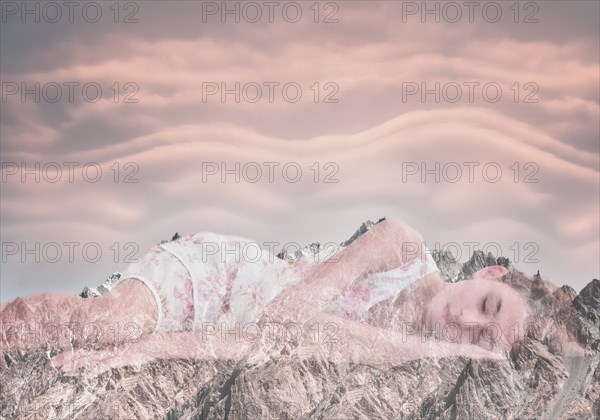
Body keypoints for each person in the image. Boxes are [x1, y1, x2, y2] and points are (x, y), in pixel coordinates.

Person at [1, 220, 530, 375]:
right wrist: (419, 351)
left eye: (475, 336)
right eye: (487, 304)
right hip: (221, 276)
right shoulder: (405, 247)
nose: (462, 318)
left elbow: (259, 346)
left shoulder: (400, 354)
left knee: (127, 340)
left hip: (222, 329)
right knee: (109, 322)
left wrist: (153, 349)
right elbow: (283, 317)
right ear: (487, 271)